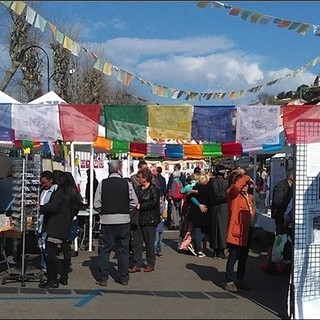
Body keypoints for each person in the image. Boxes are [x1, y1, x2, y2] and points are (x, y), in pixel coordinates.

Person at [94, 160, 138, 287]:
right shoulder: (127, 184)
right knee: (123, 250)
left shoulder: (103, 184)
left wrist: (104, 211)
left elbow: (96, 204)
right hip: (124, 220)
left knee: (104, 250)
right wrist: (126, 210)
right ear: (120, 169)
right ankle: (124, 277)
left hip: (107, 220)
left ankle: (103, 278)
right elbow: (134, 202)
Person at [39, 172, 82, 288]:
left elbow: (53, 207)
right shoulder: (73, 193)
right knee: (65, 248)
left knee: (51, 251)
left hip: (56, 225)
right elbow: (76, 208)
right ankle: (64, 276)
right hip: (66, 224)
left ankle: (52, 278)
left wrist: (41, 208)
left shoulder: (61, 192)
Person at [224, 169, 255, 293]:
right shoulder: (233, 194)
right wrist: (246, 177)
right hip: (237, 230)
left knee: (243, 257)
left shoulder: (248, 197)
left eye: (246, 185)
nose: (245, 186)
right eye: (243, 184)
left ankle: (240, 279)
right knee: (233, 256)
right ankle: (229, 281)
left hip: (247, 229)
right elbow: (236, 187)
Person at [130, 167, 160, 273]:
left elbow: (154, 202)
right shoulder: (137, 189)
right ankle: (137, 264)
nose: (138, 179)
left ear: (145, 178)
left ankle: (150, 263)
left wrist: (141, 206)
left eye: (140, 177)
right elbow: (133, 200)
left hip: (150, 219)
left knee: (149, 243)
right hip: (138, 219)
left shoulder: (154, 189)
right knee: (137, 243)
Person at [37, 170, 58, 278]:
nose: (43, 185)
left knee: (46, 247)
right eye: (42, 183)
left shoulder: (55, 191)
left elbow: (52, 207)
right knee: (41, 246)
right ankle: (44, 267)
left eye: (45, 183)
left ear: (51, 180)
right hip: (40, 221)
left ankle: (48, 268)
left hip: (48, 222)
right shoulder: (41, 190)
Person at [186, 173, 211, 257]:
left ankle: (197, 247)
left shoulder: (195, 188)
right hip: (205, 212)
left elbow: (189, 198)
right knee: (204, 231)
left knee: (198, 230)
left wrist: (198, 204)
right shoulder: (208, 189)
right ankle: (197, 246)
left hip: (195, 211)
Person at [209, 164, 229, 259]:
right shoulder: (226, 182)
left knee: (215, 228)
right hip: (224, 207)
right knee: (223, 228)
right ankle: (222, 250)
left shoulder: (211, 182)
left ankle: (215, 250)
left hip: (214, 206)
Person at [271, 168, 294, 235]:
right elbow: (277, 201)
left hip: (289, 217)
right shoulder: (280, 186)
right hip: (280, 217)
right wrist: (289, 205)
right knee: (281, 236)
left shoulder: (294, 187)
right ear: (292, 177)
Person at [166, 163, 186, 228]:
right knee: (178, 209)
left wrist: (170, 197)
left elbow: (171, 188)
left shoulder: (173, 180)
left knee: (174, 210)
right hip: (180, 196)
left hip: (174, 196)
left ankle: (175, 224)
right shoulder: (182, 177)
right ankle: (178, 222)